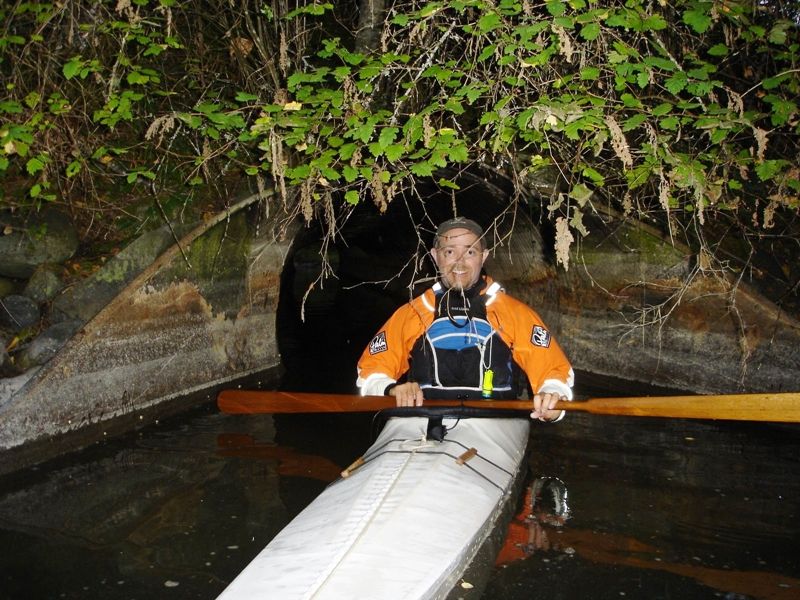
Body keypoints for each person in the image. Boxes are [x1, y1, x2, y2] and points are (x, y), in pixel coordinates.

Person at [356, 216, 573, 421]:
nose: (459, 263)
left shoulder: (514, 314)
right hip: (422, 421)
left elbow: (553, 371)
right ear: (435, 256)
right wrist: (391, 389)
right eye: (449, 252)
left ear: (483, 257)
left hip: (493, 424)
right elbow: (371, 372)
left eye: (470, 252)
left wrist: (552, 396)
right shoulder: (413, 313)